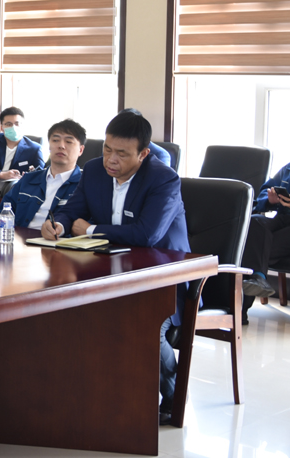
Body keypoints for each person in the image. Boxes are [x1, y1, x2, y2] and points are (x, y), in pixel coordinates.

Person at [46, 109, 188, 426]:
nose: (111, 159)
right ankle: (84, 389)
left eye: (122, 154)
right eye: (107, 148)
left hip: (163, 278)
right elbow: (72, 210)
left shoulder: (163, 179)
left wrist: (91, 230)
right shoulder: (94, 170)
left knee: (146, 325)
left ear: (143, 154)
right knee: (56, 306)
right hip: (106, 271)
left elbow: (147, 235)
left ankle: (173, 394)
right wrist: (59, 224)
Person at [2, 119, 85, 229]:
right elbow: (4, 212)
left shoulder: (85, 186)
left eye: (69, 142)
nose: (61, 146)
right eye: (55, 140)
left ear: (80, 150)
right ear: (49, 146)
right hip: (19, 237)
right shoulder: (28, 179)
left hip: (57, 239)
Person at [237, 162, 290, 301]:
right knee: (255, 221)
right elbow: (265, 191)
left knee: (252, 247)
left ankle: (256, 279)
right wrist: (270, 200)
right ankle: (257, 279)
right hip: (282, 218)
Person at [0, 107, 44, 216]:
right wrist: (1, 174)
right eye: (9, 124)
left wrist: (28, 176)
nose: (14, 127)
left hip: (16, 192)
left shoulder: (34, 148)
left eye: (17, 124)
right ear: (2, 127)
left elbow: (41, 175)